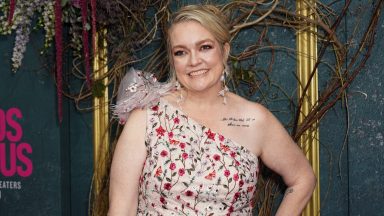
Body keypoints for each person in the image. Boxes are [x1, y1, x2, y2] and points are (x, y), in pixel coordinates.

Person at [108, 4, 316, 215]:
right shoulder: (147, 116)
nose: (194, 61)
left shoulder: (254, 120)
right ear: (172, 60)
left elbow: (303, 179)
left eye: (205, 47)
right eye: (181, 52)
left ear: (224, 51)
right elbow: (120, 209)